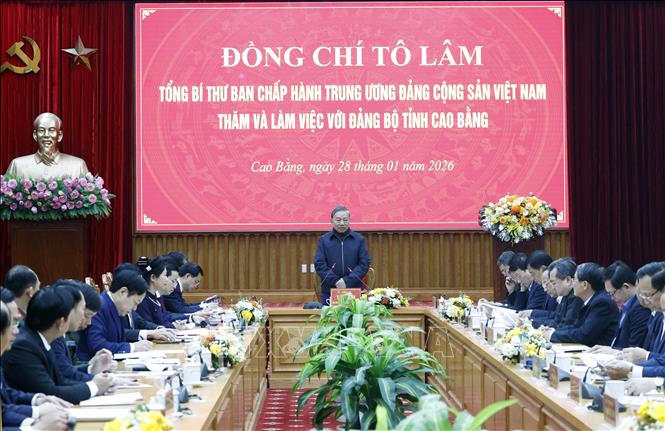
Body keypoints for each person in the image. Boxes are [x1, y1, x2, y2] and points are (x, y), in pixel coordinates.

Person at [1, 283, 114, 403]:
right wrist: (95, 386)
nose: (83, 318)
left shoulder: (41, 340)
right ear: (61, 322)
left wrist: (97, 383)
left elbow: (61, 381)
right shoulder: (24, 346)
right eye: (81, 310)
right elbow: (50, 391)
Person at [0, 298, 72, 431]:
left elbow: (4, 405)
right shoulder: (23, 345)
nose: (16, 331)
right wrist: (37, 428)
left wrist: (37, 406)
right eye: (11, 324)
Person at [77, 269, 154, 360]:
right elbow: (97, 345)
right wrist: (132, 347)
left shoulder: (116, 307)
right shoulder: (100, 306)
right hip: (91, 365)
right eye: (135, 302)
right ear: (123, 292)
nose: (135, 308)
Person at [51, 281, 114, 382]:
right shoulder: (52, 336)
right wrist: (97, 384)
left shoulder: (65, 333)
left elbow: (68, 369)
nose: (89, 322)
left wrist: (91, 367)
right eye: (86, 315)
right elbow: (63, 377)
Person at [543, 262, 620, 346]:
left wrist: (552, 335)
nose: (572, 283)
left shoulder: (602, 303)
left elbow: (584, 335)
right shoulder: (590, 300)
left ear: (585, 285)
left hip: (601, 352)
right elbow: (575, 326)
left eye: (575, 280)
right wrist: (553, 331)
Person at [314, 206, 371, 305]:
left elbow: (364, 264)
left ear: (349, 221)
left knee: (355, 314)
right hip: (330, 289)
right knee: (330, 315)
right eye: (338, 220)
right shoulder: (324, 240)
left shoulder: (359, 239)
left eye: (345, 220)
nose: (342, 223)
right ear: (331, 221)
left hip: (354, 288)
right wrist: (336, 281)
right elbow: (319, 264)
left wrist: (347, 281)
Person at [5, 112, 89, 179]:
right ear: (35, 135)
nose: (46, 135)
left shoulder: (78, 165)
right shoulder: (17, 165)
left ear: (59, 136)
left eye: (51, 130)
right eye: (41, 130)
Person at [605, 261, 651, 349]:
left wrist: (611, 351)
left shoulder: (640, 308)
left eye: (612, 293)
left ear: (626, 287)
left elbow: (634, 347)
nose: (611, 298)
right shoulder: (626, 304)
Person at [136, 256, 189, 328]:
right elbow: (149, 327)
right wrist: (172, 326)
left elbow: (163, 319)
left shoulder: (154, 297)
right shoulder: (142, 300)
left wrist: (174, 325)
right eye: (165, 275)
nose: (167, 280)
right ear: (153, 278)